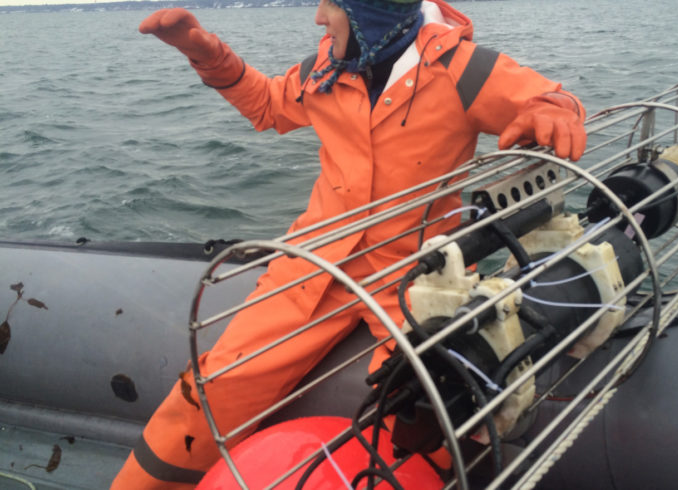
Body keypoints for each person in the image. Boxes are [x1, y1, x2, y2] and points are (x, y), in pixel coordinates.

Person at [111, 0, 586, 487]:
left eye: (331, 5)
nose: (318, 17)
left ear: (368, 14)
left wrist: (556, 111)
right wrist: (206, 52)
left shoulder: (462, 69)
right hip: (313, 262)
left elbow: (543, 96)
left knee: (421, 404)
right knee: (218, 383)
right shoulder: (327, 69)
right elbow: (269, 105)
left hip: (416, 277)